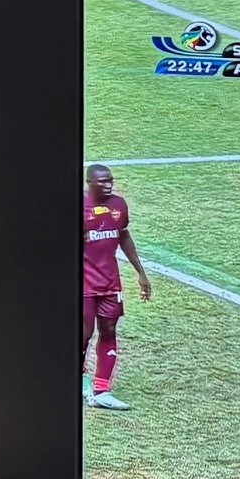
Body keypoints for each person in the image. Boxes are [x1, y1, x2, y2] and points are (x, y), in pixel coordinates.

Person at [80, 163, 150, 409]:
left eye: (110, 180)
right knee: (84, 333)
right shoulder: (80, 206)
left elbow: (124, 236)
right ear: (90, 183)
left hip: (110, 283)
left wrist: (141, 273)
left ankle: (101, 391)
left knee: (109, 331)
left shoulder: (119, 205)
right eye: (102, 181)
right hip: (85, 284)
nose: (108, 184)